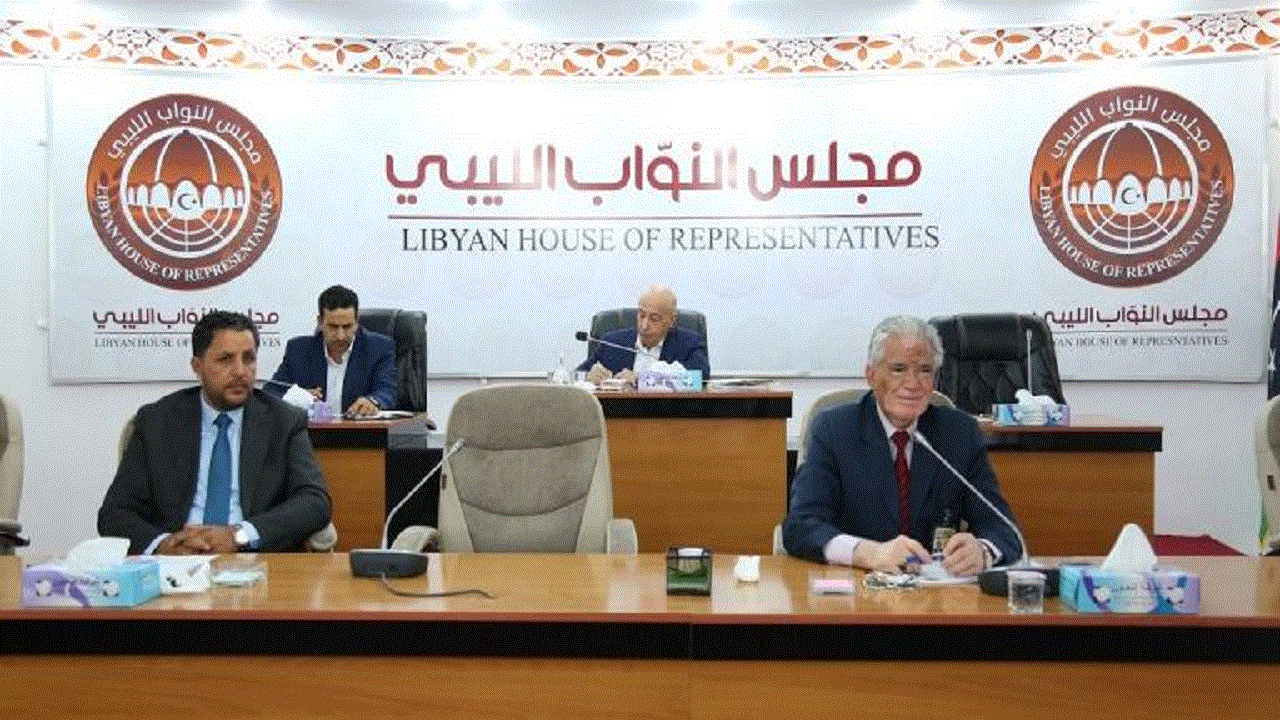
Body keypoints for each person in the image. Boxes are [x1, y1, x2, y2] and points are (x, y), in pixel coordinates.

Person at [781, 315, 1022, 575]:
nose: (913, 384)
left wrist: (983, 551)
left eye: (924, 370)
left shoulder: (959, 433)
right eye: (898, 369)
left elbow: (1003, 529)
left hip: (935, 590)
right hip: (858, 585)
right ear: (871, 375)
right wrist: (868, 553)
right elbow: (801, 526)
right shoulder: (834, 430)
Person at [99, 311, 332, 555]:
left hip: (255, 560)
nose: (240, 371)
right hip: (176, 563)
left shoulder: (283, 422)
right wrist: (164, 545)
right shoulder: (156, 422)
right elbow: (115, 513)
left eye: (249, 359)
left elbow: (314, 502)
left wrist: (240, 535)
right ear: (197, 367)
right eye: (225, 359)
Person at [269, 285, 396, 418]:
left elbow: (387, 390)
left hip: (359, 429)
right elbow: (271, 392)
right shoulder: (299, 350)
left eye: (347, 326)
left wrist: (372, 402)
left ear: (356, 322)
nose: (340, 335)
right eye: (333, 327)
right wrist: (297, 398)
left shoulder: (378, 348)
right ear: (320, 321)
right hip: (310, 430)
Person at [577, 285, 710, 385]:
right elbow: (575, 376)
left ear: (671, 320)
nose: (644, 325)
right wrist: (588, 376)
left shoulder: (689, 343)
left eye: (654, 319)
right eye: (641, 315)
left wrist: (641, 379)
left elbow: (700, 378)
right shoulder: (613, 342)